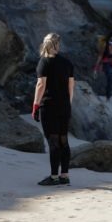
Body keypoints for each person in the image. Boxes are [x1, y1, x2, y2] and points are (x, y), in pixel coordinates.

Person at [32, 33, 75, 186]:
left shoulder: (44, 62)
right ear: (58, 45)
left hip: (49, 106)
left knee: (53, 142)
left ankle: (54, 177)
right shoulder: (67, 63)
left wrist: (36, 105)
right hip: (64, 107)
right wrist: (68, 103)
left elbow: (41, 85)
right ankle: (65, 176)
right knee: (64, 141)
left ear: (45, 44)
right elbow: (71, 86)